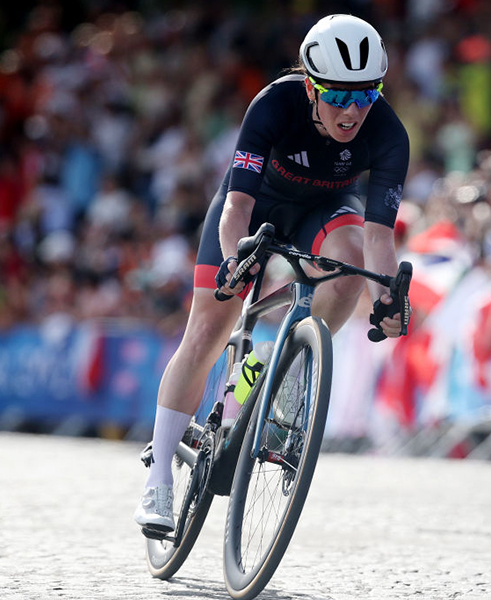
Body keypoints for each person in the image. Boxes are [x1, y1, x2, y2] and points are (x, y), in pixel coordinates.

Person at [133, 14, 411, 533]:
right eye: (338, 96)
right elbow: (237, 203)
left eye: (366, 96)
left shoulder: (389, 132)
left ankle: (287, 376)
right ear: (311, 86)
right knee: (208, 328)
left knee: (348, 271)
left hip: (323, 211)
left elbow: (378, 239)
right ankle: (158, 480)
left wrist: (388, 299)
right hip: (254, 209)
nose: (352, 112)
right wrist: (236, 260)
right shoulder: (275, 103)